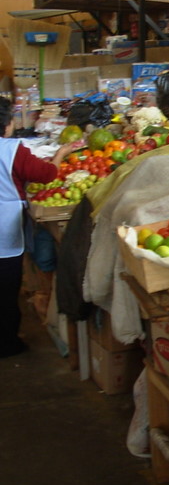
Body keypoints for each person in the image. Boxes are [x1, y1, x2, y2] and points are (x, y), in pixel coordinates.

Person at [0, 97, 73, 357]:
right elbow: (46, 174)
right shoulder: (12, 150)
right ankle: (7, 344)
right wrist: (61, 154)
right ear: (8, 125)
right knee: (5, 289)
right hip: (3, 228)